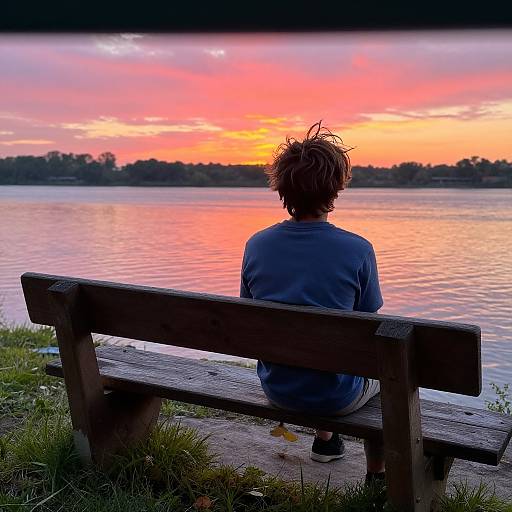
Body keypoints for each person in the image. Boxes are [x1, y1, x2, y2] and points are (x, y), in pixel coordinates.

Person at [239, 121, 385, 484]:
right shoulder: (358, 249)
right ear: (336, 186)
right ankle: (376, 475)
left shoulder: (257, 245)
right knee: (387, 369)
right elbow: (369, 324)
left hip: (277, 387)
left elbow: (248, 312)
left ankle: (326, 442)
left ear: (281, 187)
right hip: (335, 396)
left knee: (318, 354)